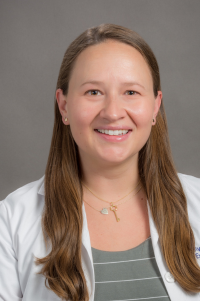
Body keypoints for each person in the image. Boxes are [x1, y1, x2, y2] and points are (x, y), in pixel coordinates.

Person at [0, 23, 200, 301]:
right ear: (64, 106)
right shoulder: (9, 222)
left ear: (155, 106)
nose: (113, 112)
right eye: (94, 92)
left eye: (131, 92)